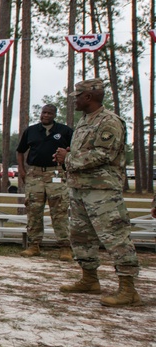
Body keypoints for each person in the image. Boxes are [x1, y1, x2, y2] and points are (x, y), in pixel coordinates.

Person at [56, 79, 142, 307]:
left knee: (115, 236)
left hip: (102, 191)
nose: (74, 99)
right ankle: (90, 279)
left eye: (77, 96)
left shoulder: (109, 122)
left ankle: (128, 288)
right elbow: (85, 152)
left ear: (89, 97)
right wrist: (66, 156)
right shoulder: (84, 122)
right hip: (79, 189)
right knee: (80, 236)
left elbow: (103, 154)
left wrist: (70, 159)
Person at [16, 104, 73, 260]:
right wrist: (21, 170)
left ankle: (64, 247)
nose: (45, 115)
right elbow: (20, 151)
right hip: (35, 173)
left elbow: (75, 150)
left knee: (59, 210)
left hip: (56, 172)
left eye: (49, 113)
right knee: (34, 210)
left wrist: (67, 162)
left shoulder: (65, 131)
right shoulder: (31, 131)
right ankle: (34, 245)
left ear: (55, 115)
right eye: (43, 113)